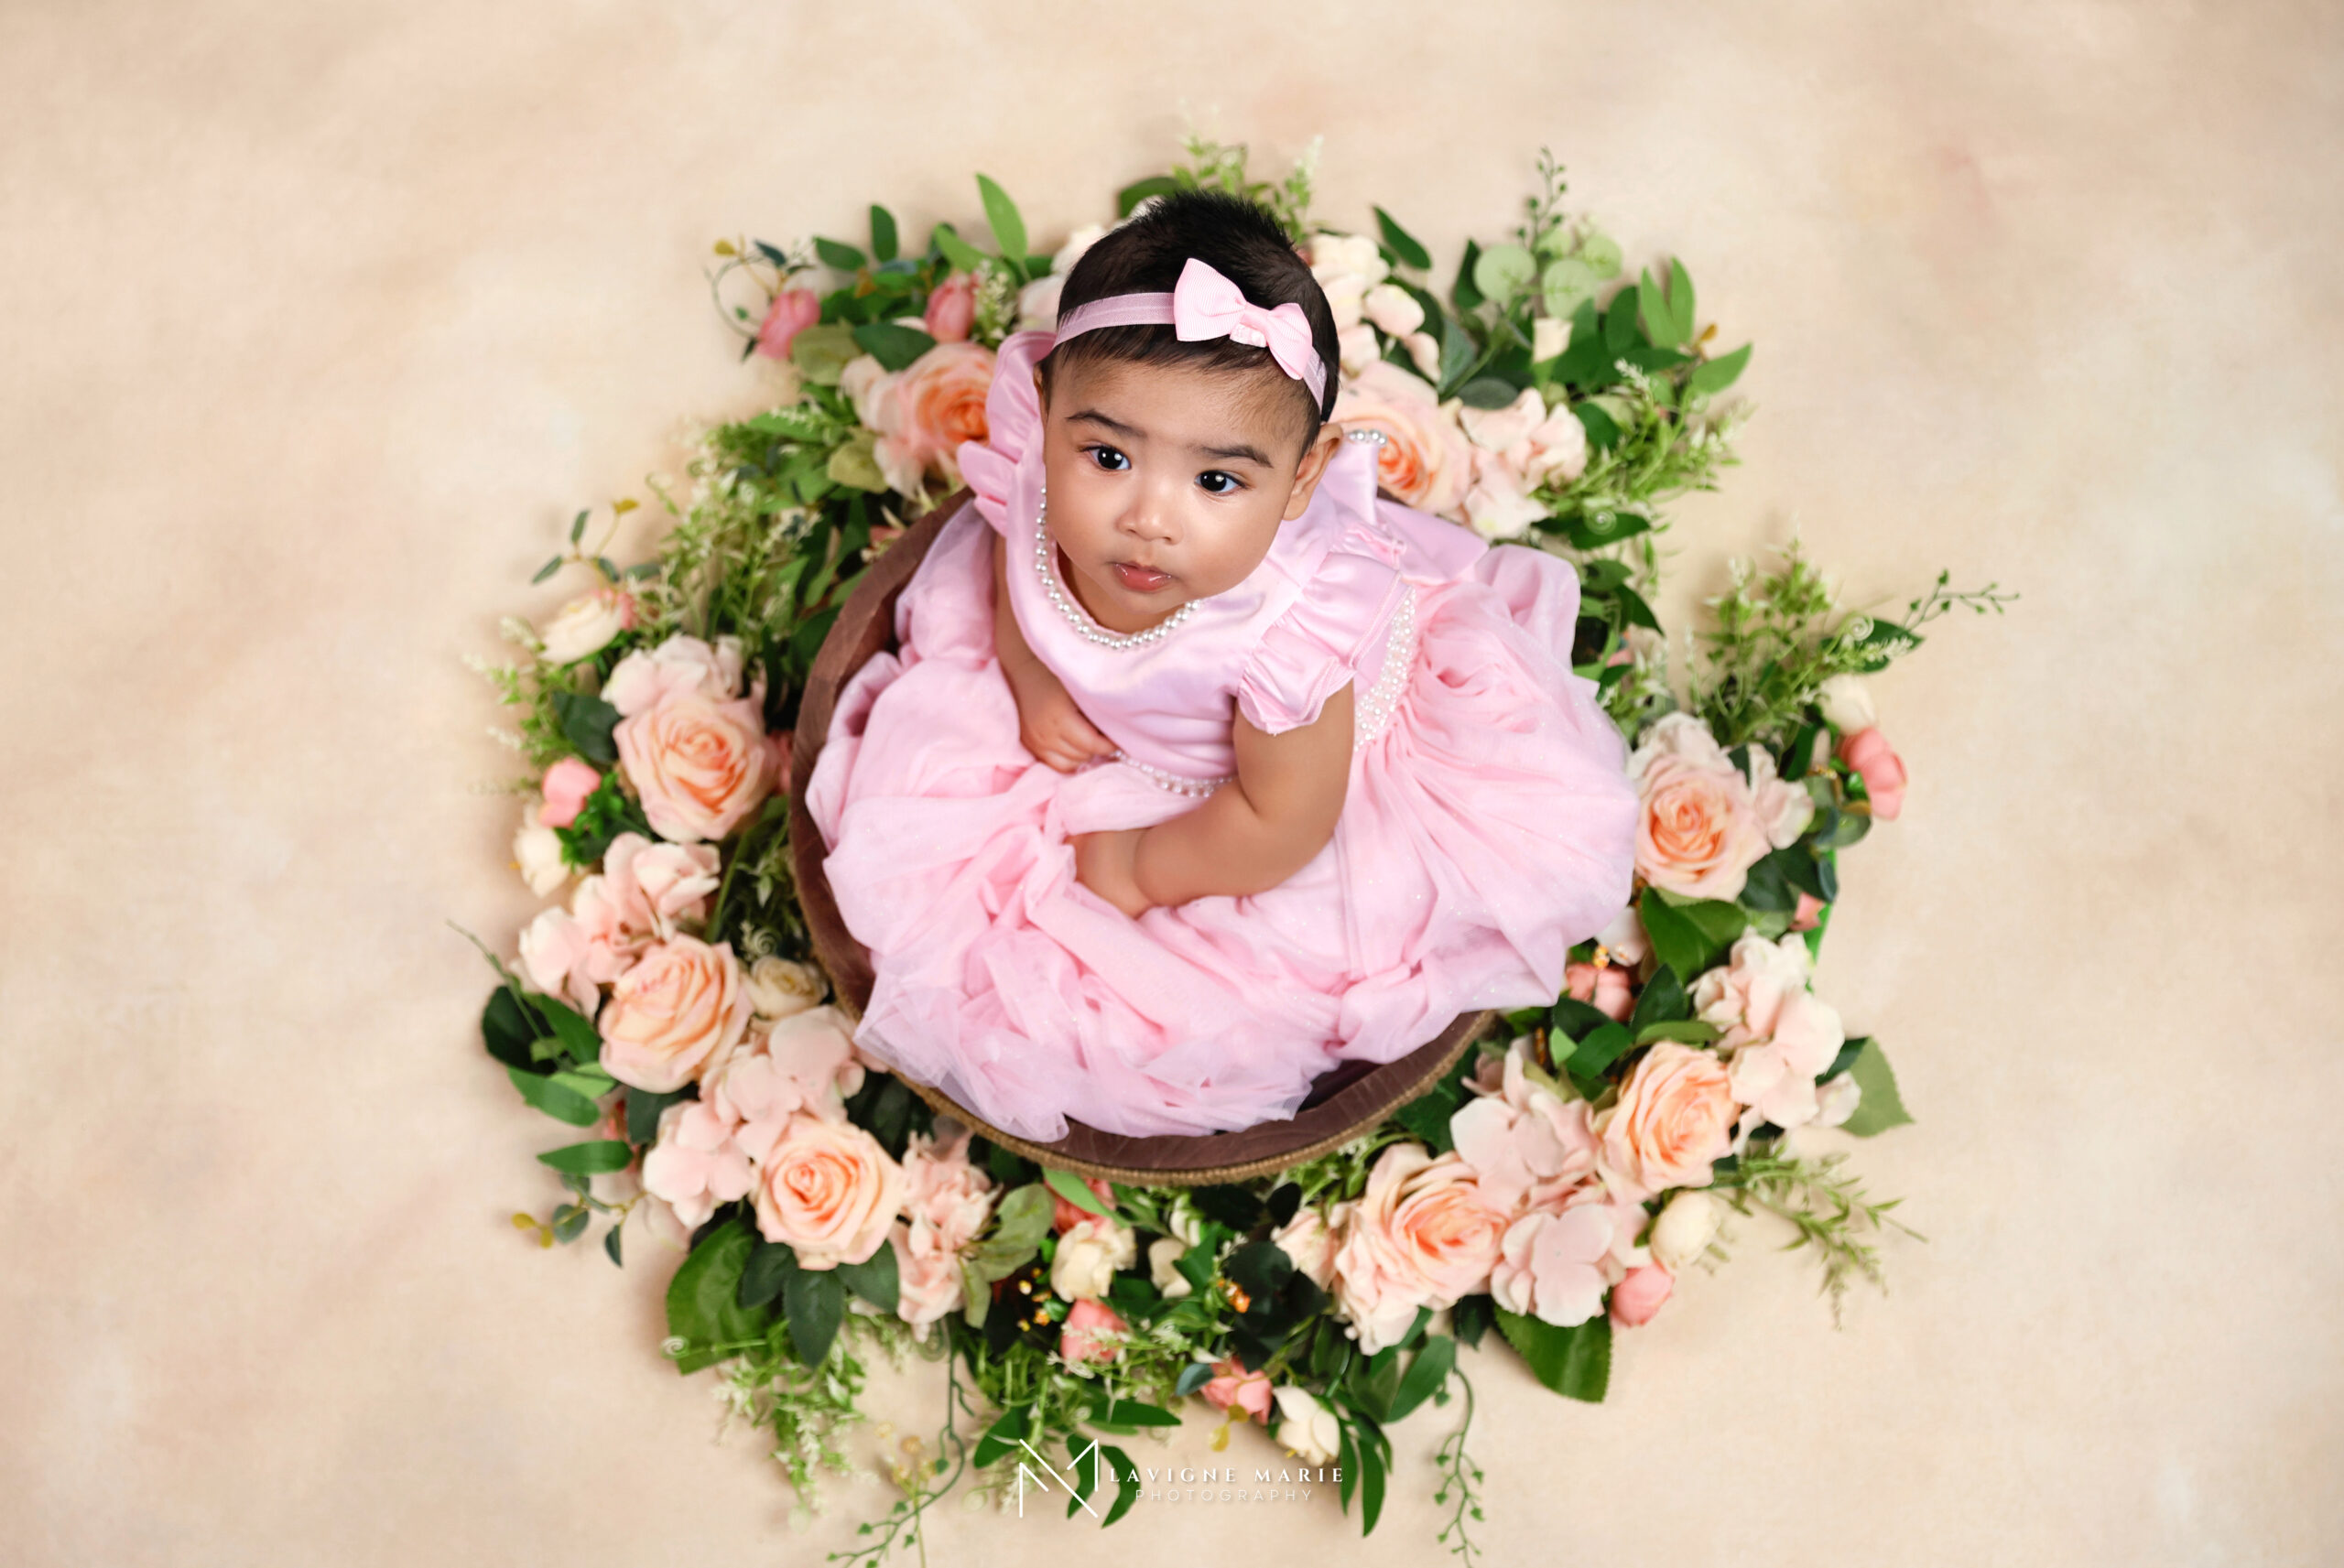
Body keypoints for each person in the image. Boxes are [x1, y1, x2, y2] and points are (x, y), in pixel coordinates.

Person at [805, 189, 1638, 1143]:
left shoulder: (1285, 636)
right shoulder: (1041, 473)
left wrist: (1140, 867)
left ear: (1303, 477)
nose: (1149, 517)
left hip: (1280, 789)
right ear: (1046, 413)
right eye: (1109, 455)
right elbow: (1009, 549)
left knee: (1274, 958)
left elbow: (1285, 823)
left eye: (1215, 481)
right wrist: (1031, 677)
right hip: (1120, 717)